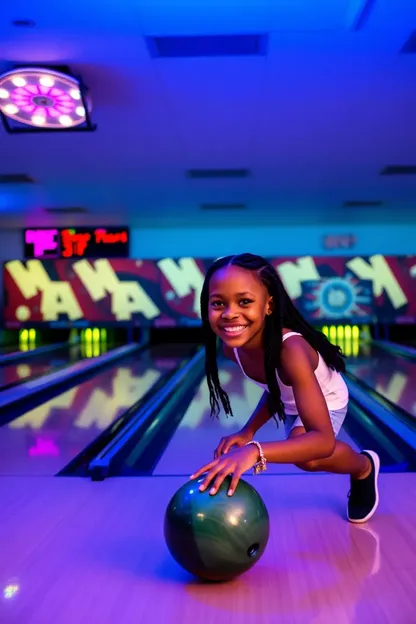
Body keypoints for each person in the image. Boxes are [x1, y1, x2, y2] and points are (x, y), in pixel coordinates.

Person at [190, 253, 380, 524]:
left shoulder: (291, 349)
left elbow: (323, 440)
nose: (230, 313)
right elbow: (275, 386)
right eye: (218, 303)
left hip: (326, 399)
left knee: (309, 458)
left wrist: (255, 450)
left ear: (268, 305)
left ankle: (364, 467)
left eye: (244, 301)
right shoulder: (232, 349)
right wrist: (248, 431)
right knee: (300, 450)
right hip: (293, 398)